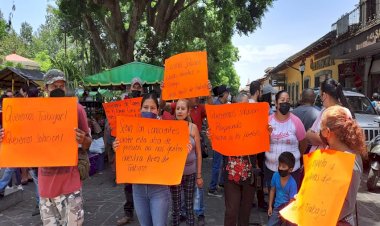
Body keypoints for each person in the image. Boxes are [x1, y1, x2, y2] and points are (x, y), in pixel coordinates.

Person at [113, 93, 170, 226]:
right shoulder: (130, 130)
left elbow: (175, 151)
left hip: (159, 189)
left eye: (152, 108)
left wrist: (185, 148)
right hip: (138, 190)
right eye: (145, 107)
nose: (149, 111)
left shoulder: (166, 130)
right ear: (140, 109)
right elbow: (126, 158)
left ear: (158, 110)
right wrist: (118, 148)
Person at [319, 105, 365, 225]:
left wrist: (318, 215)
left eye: (321, 128)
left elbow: (347, 205)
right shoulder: (330, 152)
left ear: (327, 132)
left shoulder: (350, 162)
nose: (320, 131)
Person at [223, 92, 256, 226]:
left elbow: (262, 147)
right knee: (232, 211)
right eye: (243, 105)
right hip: (231, 175)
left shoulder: (255, 123)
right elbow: (218, 144)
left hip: (249, 174)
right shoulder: (226, 124)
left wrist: (266, 135)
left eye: (247, 105)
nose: (245, 109)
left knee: (245, 212)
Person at [265, 90, 307, 189]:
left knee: (290, 201)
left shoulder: (296, 122)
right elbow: (262, 144)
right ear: (276, 103)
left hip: (292, 171)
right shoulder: (268, 121)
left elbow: (304, 143)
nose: (285, 103)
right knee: (275, 199)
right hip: (271, 169)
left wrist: (296, 157)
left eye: (287, 101)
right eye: (282, 100)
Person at [171, 99, 203, 226]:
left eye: (182, 109)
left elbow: (199, 153)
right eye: (178, 108)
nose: (179, 111)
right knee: (176, 206)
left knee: (189, 205)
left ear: (188, 111)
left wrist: (199, 175)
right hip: (175, 174)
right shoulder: (170, 128)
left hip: (191, 173)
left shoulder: (193, 128)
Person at [117, 76, 144, 225]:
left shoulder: (146, 102)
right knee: (128, 183)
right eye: (134, 86)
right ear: (130, 87)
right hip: (128, 146)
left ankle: (143, 213)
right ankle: (128, 213)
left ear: (142, 88)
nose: (136, 89)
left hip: (142, 145)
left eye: (139, 87)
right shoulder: (124, 101)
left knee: (141, 180)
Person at [306, 78, 353, 153]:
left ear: (324, 95)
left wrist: (315, 136)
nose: (320, 98)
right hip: (318, 159)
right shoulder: (323, 111)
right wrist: (314, 136)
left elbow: (329, 139)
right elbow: (309, 135)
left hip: (333, 159)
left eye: (320, 94)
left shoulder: (343, 112)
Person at [208, 85, 231, 197]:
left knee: (224, 162)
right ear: (224, 94)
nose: (229, 95)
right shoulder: (215, 105)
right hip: (218, 139)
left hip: (224, 139)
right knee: (217, 164)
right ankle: (212, 188)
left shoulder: (224, 105)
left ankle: (222, 183)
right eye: (228, 93)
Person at [248, 80, 268, 210]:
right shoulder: (260, 107)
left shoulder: (244, 105)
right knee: (259, 173)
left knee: (249, 172)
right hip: (257, 145)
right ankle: (260, 201)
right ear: (257, 92)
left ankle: (249, 200)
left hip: (247, 145)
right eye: (260, 91)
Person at [267, 152, 297, 226]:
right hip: (277, 207)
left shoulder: (292, 183)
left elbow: (292, 201)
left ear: (290, 169)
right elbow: (272, 190)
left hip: (288, 208)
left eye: (283, 167)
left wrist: (285, 214)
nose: (280, 168)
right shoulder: (275, 175)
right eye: (279, 165)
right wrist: (270, 206)